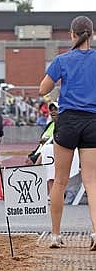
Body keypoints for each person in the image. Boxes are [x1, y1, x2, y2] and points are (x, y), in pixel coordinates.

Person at [39, 15, 96, 250]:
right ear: (91, 35)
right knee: (92, 182)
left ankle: (55, 235)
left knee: (60, 182)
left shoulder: (62, 60)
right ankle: (95, 232)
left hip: (69, 120)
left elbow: (43, 88)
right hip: (93, 121)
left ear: (72, 35)